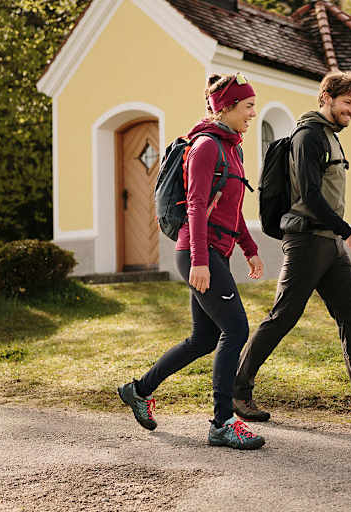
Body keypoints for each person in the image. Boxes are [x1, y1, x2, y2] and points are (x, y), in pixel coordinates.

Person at [118, 73, 265, 450]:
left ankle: (139, 389)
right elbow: (197, 205)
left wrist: (249, 248)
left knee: (204, 338)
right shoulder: (205, 146)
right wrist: (200, 260)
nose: (253, 113)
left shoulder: (233, 149)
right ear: (228, 106)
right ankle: (222, 422)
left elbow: (232, 209)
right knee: (236, 330)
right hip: (198, 252)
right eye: (248, 106)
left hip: (215, 252)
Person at [233, 71, 351, 423]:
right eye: (347, 102)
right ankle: (236, 389)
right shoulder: (309, 136)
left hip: (329, 243)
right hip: (306, 242)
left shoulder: (331, 136)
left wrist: (340, 235)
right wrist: (350, 233)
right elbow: (311, 195)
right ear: (326, 99)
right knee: (283, 316)